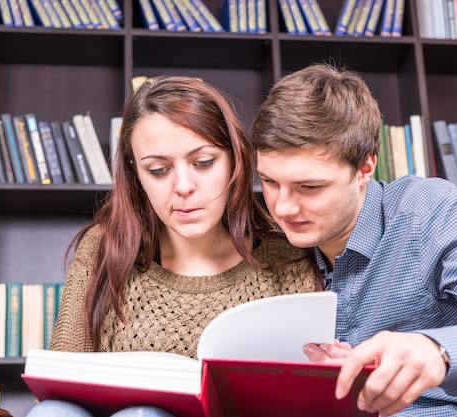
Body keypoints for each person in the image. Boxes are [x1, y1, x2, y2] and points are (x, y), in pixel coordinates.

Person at [251, 62, 457, 417]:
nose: (283, 207)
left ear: (365, 167)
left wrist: (436, 350)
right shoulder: (281, 248)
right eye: (270, 182)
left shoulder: (432, 212)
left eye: (310, 187)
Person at [26, 76, 320, 417]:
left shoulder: (286, 258)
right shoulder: (105, 249)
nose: (183, 187)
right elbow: (61, 386)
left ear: (234, 162)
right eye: (159, 169)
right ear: (136, 174)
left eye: (204, 163)